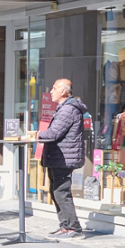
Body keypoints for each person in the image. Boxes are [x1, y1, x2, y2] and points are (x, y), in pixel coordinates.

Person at [32, 78, 88, 238]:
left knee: (61, 192)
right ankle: (65, 226)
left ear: (63, 91)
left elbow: (54, 133)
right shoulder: (64, 108)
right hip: (59, 156)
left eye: (54, 88)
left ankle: (74, 228)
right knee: (56, 191)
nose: (51, 91)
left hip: (64, 158)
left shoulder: (68, 109)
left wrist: (36, 135)